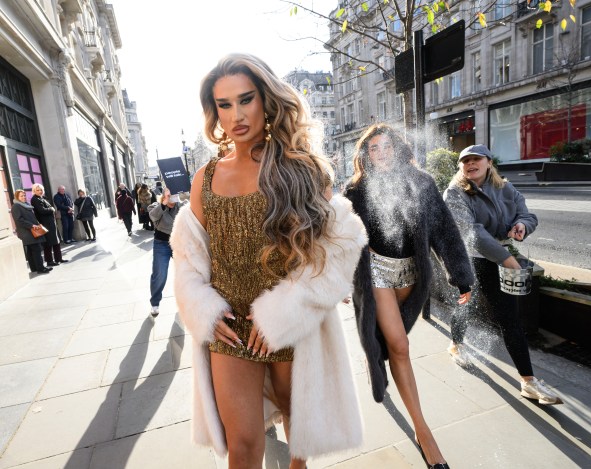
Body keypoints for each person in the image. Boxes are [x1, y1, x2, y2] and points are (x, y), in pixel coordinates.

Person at [169, 53, 366, 469]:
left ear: (266, 100)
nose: (236, 115)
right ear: (214, 111)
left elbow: (338, 247)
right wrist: (201, 306)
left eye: (246, 99)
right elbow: (189, 260)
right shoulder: (204, 178)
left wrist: (287, 312)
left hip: (287, 325)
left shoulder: (303, 169)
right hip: (231, 329)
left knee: (299, 438)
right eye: (224, 104)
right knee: (241, 447)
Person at [343, 124, 474, 469]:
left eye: (386, 147)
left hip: (413, 277)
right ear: (364, 154)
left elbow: (444, 230)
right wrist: (341, 280)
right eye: (373, 148)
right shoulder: (355, 191)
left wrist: (461, 275)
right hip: (377, 275)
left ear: (398, 149)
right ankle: (424, 432)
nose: (381, 153)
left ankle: (380, 361)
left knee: (390, 341)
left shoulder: (422, 183)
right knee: (400, 346)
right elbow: (340, 238)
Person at [444, 144, 563, 405]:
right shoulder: (455, 193)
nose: (470, 164)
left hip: (500, 257)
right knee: (466, 302)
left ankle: (528, 381)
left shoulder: (506, 189)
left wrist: (522, 226)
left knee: (509, 318)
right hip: (471, 258)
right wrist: (507, 259)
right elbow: (472, 231)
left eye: (476, 159)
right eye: (465, 161)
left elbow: (527, 214)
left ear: (488, 162)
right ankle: (456, 343)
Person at [147, 188, 186, 318]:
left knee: (183, 274)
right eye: (170, 196)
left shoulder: (181, 207)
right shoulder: (155, 206)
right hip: (161, 244)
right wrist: (164, 203)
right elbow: (152, 216)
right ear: (164, 196)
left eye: (174, 196)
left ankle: (183, 303)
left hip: (178, 244)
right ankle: (155, 303)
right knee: (160, 274)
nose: (173, 199)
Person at [11, 189, 51, 274]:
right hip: (27, 232)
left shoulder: (26, 205)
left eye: (24, 195)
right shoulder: (16, 206)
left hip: (32, 230)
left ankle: (34, 268)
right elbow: (19, 220)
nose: (24, 197)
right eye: (21, 196)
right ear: (17, 197)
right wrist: (32, 225)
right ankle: (41, 268)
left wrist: (36, 223)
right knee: (36, 250)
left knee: (31, 251)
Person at [31, 183, 68, 266]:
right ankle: (49, 261)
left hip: (51, 223)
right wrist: (51, 209)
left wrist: (51, 209)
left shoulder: (42, 198)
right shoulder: (35, 199)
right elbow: (42, 210)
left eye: (41, 190)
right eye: (38, 190)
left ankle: (59, 258)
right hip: (45, 224)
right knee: (48, 243)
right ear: (34, 191)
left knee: (56, 241)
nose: (40, 191)